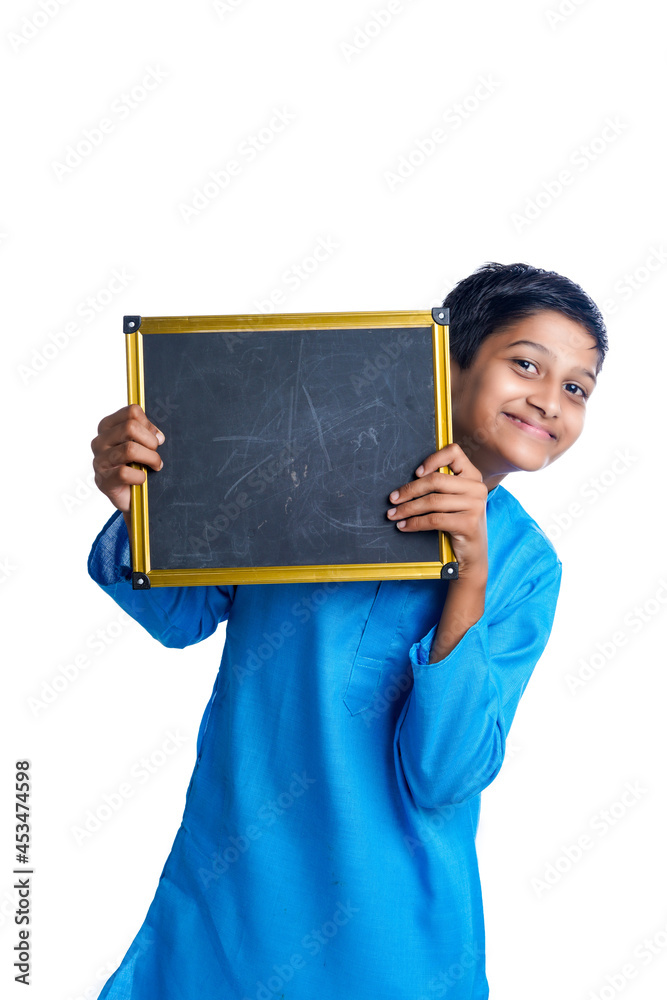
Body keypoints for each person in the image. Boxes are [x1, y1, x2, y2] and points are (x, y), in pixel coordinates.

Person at [88, 262, 608, 999]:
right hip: (231, 909)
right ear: (446, 358)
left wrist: (467, 575)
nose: (548, 399)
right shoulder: (299, 463)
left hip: (394, 943)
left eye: (576, 388)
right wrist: (141, 501)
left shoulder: (524, 567)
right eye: (524, 363)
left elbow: (443, 774)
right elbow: (177, 617)